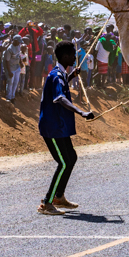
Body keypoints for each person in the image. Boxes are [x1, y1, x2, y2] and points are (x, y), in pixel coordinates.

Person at [37, 41, 95, 216]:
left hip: (59, 126)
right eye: (71, 54)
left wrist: (71, 77)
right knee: (63, 162)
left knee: (71, 158)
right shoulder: (56, 75)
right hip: (52, 127)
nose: (74, 57)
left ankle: (59, 196)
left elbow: (61, 88)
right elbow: (60, 98)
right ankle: (46, 203)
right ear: (63, 57)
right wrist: (81, 112)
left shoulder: (61, 75)